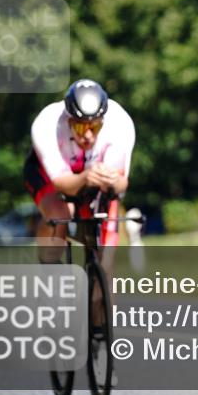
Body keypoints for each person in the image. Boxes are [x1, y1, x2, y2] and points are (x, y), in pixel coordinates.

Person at [23, 79, 136, 266]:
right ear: (69, 120)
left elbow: (121, 185)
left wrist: (113, 180)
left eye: (95, 127)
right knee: (60, 214)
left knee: (105, 258)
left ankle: (99, 284)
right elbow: (61, 183)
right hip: (49, 174)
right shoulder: (47, 124)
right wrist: (85, 177)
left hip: (91, 175)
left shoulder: (120, 123)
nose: (88, 135)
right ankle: (48, 262)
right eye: (81, 127)